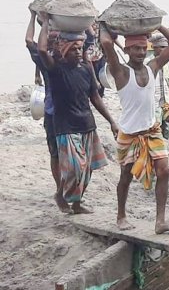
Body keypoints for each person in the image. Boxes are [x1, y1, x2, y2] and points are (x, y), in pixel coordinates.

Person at [99, 26, 169, 234]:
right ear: (126, 51)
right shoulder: (120, 71)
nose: (141, 52)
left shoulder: (152, 67)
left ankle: (160, 221)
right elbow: (107, 43)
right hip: (129, 134)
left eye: (144, 48)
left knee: (164, 171)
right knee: (125, 177)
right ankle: (121, 216)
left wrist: (156, 25)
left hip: (151, 131)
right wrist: (104, 26)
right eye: (136, 49)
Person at [36, 12, 118, 214]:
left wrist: (111, 121)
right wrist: (45, 21)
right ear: (63, 50)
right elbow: (41, 49)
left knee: (87, 169)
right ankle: (61, 194)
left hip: (87, 124)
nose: (78, 53)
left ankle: (77, 204)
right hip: (66, 126)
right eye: (74, 49)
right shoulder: (55, 70)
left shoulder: (85, 68)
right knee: (75, 168)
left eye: (80, 49)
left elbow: (95, 98)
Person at [26, 9, 65, 211]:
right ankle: (60, 189)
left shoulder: (68, 57)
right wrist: (35, 18)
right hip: (52, 112)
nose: (55, 42)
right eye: (51, 39)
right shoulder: (46, 59)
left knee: (65, 155)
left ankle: (66, 190)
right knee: (56, 154)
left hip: (68, 112)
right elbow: (30, 41)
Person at [149, 34, 169, 110]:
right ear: (154, 47)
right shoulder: (148, 63)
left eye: (166, 47)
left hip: (166, 103)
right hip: (153, 104)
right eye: (162, 47)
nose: (164, 50)